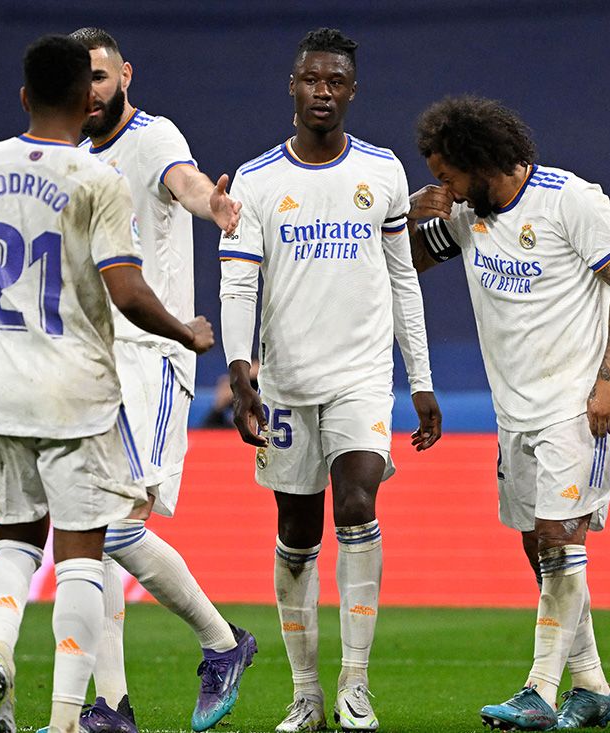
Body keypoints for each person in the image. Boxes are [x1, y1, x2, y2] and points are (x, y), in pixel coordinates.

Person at [0, 34, 214, 733]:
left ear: (22, 96)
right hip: (77, 396)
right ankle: (68, 717)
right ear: (86, 101)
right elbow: (129, 290)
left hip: (3, 394)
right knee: (82, 552)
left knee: (13, 543)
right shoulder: (94, 180)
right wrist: (183, 331)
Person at [218, 28, 440, 733]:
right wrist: (240, 375)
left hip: (362, 377)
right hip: (284, 382)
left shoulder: (382, 172)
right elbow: (236, 287)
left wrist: (422, 380)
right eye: (311, 79)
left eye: (335, 81)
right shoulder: (256, 181)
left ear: (351, 90)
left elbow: (404, 278)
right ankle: (306, 691)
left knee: (356, 503)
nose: (323, 91)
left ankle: (355, 686)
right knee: (296, 529)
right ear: (292, 86)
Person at [408, 95, 610, 731]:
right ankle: (591, 686)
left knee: (560, 541)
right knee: (538, 546)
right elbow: (410, 260)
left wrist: (609, 379)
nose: (444, 187)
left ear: (481, 161)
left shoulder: (571, 201)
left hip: (578, 404)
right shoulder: (469, 212)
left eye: (448, 175)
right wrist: (409, 215)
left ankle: (539, 693)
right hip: (513, 413)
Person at [68, 27, 253, 733]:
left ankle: (222, 640)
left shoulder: (154, 137)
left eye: (101, 75)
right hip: (96, 361)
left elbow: (189, 184)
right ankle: (111, 705)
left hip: (153, 356)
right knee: (94, 530)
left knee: (114, 525)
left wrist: (217, 206)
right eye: (80, 79)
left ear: (126, 77)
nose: (92, 89)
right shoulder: (78, 159)